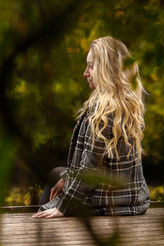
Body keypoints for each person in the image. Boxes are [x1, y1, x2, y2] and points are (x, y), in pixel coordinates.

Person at [32, 36, 150, 219]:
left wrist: (63, 207)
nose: (85, 73)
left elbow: (91, 169)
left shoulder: (102, 110)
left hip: (112, 200)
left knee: (50, 201)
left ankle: (41, 226)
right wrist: (68, 178)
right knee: (58, 173)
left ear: (106, 71)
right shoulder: (129, 104)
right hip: (134, 198)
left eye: (91, 66)